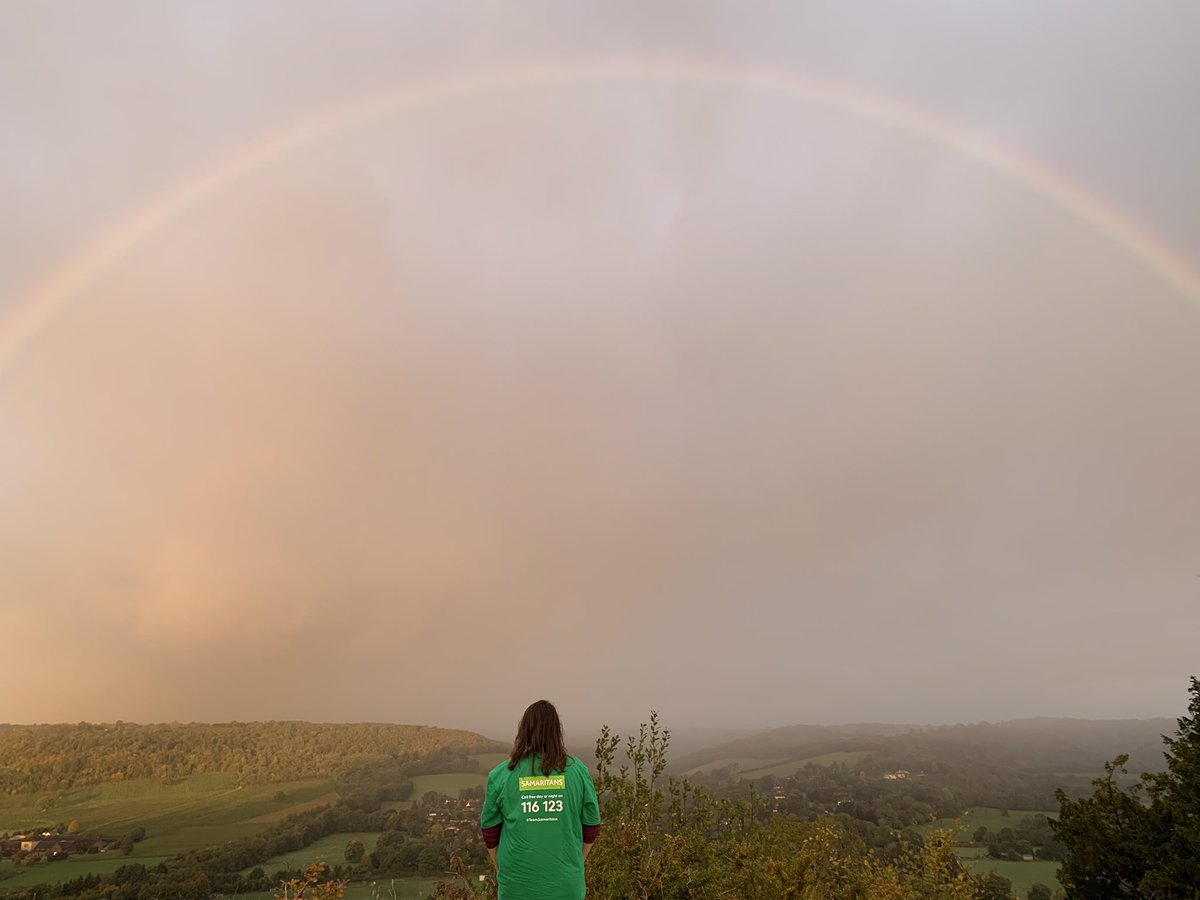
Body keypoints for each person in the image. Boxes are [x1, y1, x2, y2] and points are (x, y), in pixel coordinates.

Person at [480, 700, 601, 900]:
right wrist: (576, 862)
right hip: (566, 887)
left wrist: (502, 867)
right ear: (556, 731)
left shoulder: (501, 775)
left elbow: (490, 830)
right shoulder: (578, 771)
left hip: (516, 887)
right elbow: (591, 824)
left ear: (524, 730)